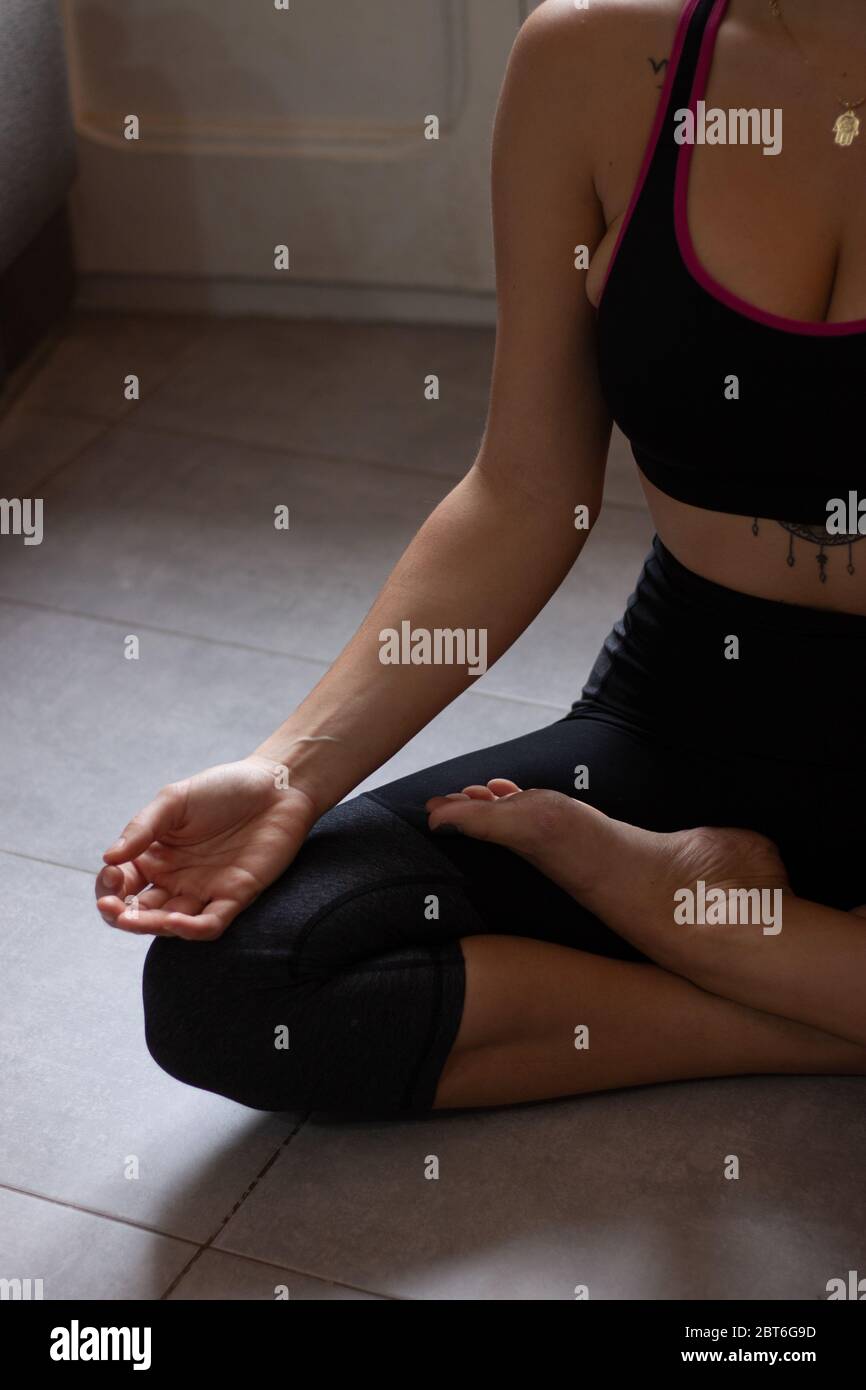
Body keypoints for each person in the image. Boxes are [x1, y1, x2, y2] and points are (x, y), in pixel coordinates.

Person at [95, 0, 866, 1115]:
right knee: (242, 985)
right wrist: (290, 772)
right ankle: (790, 978)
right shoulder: (592, 52)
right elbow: (522, 491)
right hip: (700, 706)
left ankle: (732, 944)